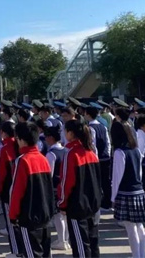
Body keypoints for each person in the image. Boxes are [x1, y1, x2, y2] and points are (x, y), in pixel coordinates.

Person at [8, 122, 55, 258]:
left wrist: (13, 215)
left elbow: (17, 192)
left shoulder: (22, 161)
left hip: (28, 217)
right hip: (45, 215)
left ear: (21, 140)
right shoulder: (43, 158)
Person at [58, 119, 102, 258]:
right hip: (93, 204)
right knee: (93, 242)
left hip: (77, 206)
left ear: (70, 133)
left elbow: (66, 182)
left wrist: (62, 203)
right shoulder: (91, 152)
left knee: (80, 244)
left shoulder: (71, 154)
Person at [110, 120, 145, 258]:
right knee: (139, 226)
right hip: (138, 191)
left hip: (126, 193)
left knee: (130, 228)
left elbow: (117, 177)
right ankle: (141, 255)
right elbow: (139, 173)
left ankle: (136, 256)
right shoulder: (136, 150)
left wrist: (113, 197)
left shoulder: (119, 152)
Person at [0, 121, 20, 256]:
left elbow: (0, 174)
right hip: (21, 189)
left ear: (3, 133)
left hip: (7, 190)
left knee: (11, 223)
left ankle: (15, 251)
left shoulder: (4, 149)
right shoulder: (20, 146)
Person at [44, 126, 69, 251]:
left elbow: (49, 174)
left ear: (51, 138)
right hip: (66, 186)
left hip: (55, 187)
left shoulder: (51, 154)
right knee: (65, 216)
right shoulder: (66, 150)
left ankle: (61, 240)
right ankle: (65, 240)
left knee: (58, 215)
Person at [85, 106, 112, 210]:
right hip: (105, 157)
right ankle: (108, 201)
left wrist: (94, 159)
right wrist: (107, 154)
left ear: (88, 115)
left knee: (97, 182)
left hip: (97, 159)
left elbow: (93, 145)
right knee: (106, 181)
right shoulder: (102, 126)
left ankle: (100, 201)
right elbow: (108, 142)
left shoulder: (90, 128)